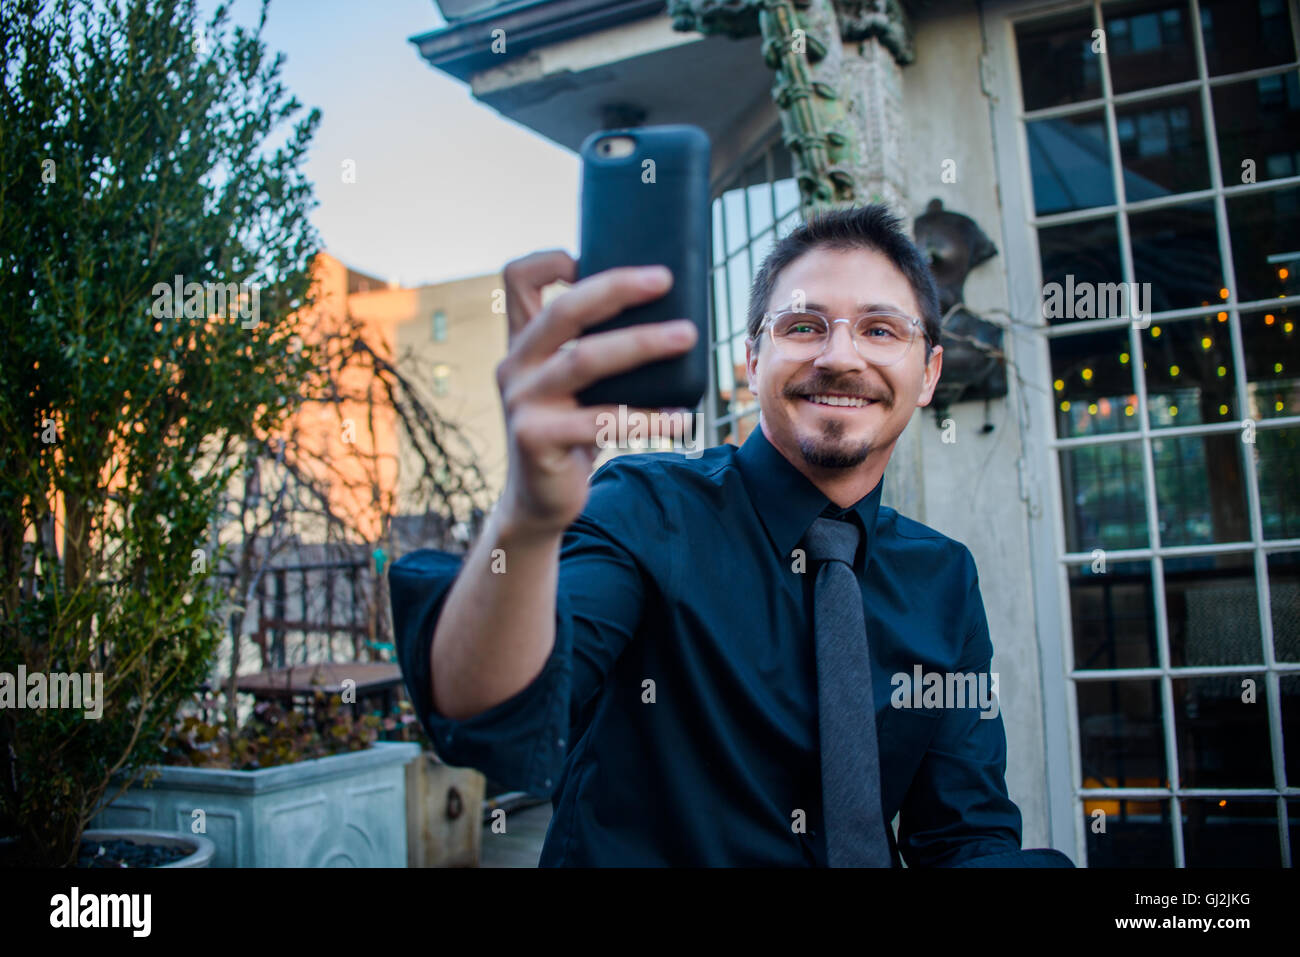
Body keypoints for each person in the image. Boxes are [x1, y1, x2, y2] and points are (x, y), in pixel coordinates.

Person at [391, 204, 1073, 867]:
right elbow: (493, 710)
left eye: (881, 330)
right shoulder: (646, 508)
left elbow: (964, 835)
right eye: (804, 326)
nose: (840, 356)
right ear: (752, 359)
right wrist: (527, 515)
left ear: (927, 374)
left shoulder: (945, 578)